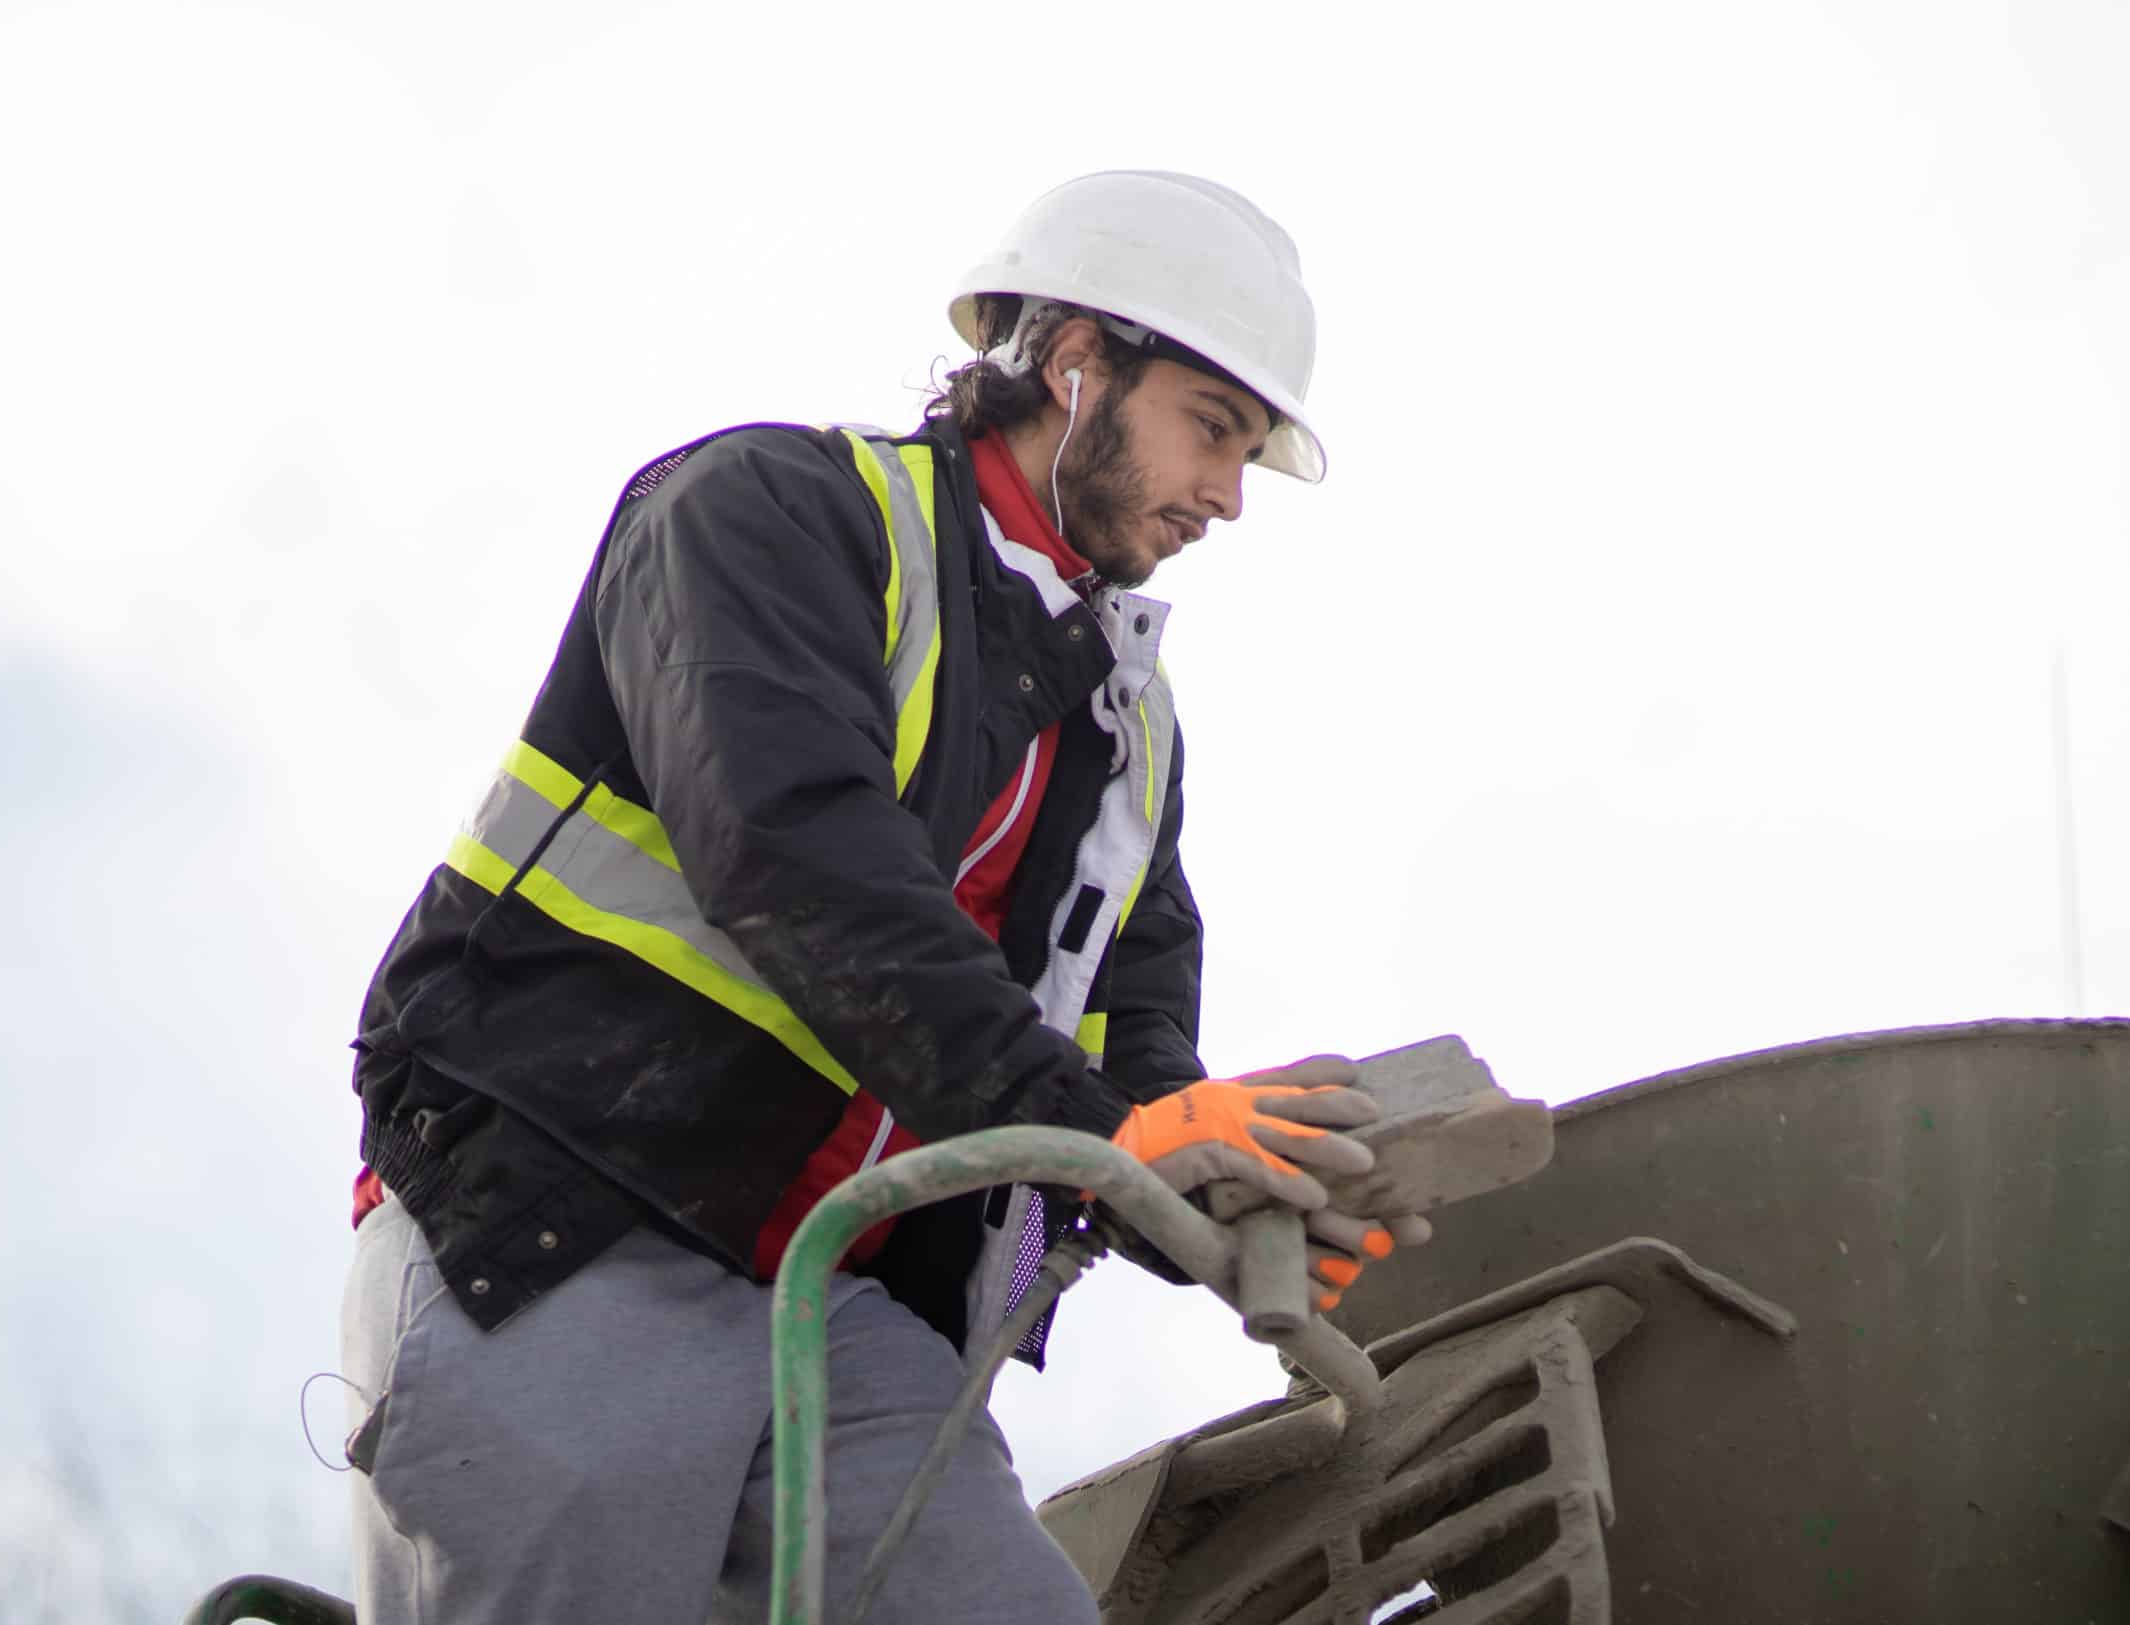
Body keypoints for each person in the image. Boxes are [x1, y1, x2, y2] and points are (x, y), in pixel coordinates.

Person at [336, 170, 1425, 1624]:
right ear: (1076, 360)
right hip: (565, 1229)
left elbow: (1129, 1055)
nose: (1228, 496)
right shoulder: (766, 517)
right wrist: (1120, 1135)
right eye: (1212, 430)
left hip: (847, 1310)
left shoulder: (1129, 733)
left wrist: (1228, 1190)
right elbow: (798, 863)